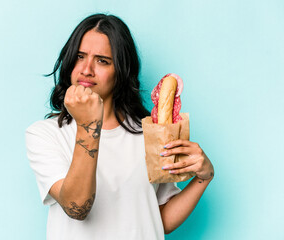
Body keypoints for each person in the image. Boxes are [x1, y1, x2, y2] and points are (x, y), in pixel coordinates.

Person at [25, 13, 214, 240]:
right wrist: (89, 124)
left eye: (102, 60)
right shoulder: (45, 134)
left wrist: (204, 177)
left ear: (121, 70)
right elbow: (77, 207)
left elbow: (159, 218)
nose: (86, 69)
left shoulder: (151, 133)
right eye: (79, 57)